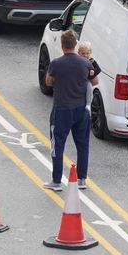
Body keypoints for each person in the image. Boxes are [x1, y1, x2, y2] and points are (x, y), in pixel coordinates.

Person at [44, 29, 96, 191]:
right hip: (81, 110)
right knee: (83, 145)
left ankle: (57, 181)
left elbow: (48, 82)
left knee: (57, 145)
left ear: (62, 44)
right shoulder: (86, 63)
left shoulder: (56, 64)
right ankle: (81, 179)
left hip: (62, 109)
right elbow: (94, 81)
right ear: (75, 45)